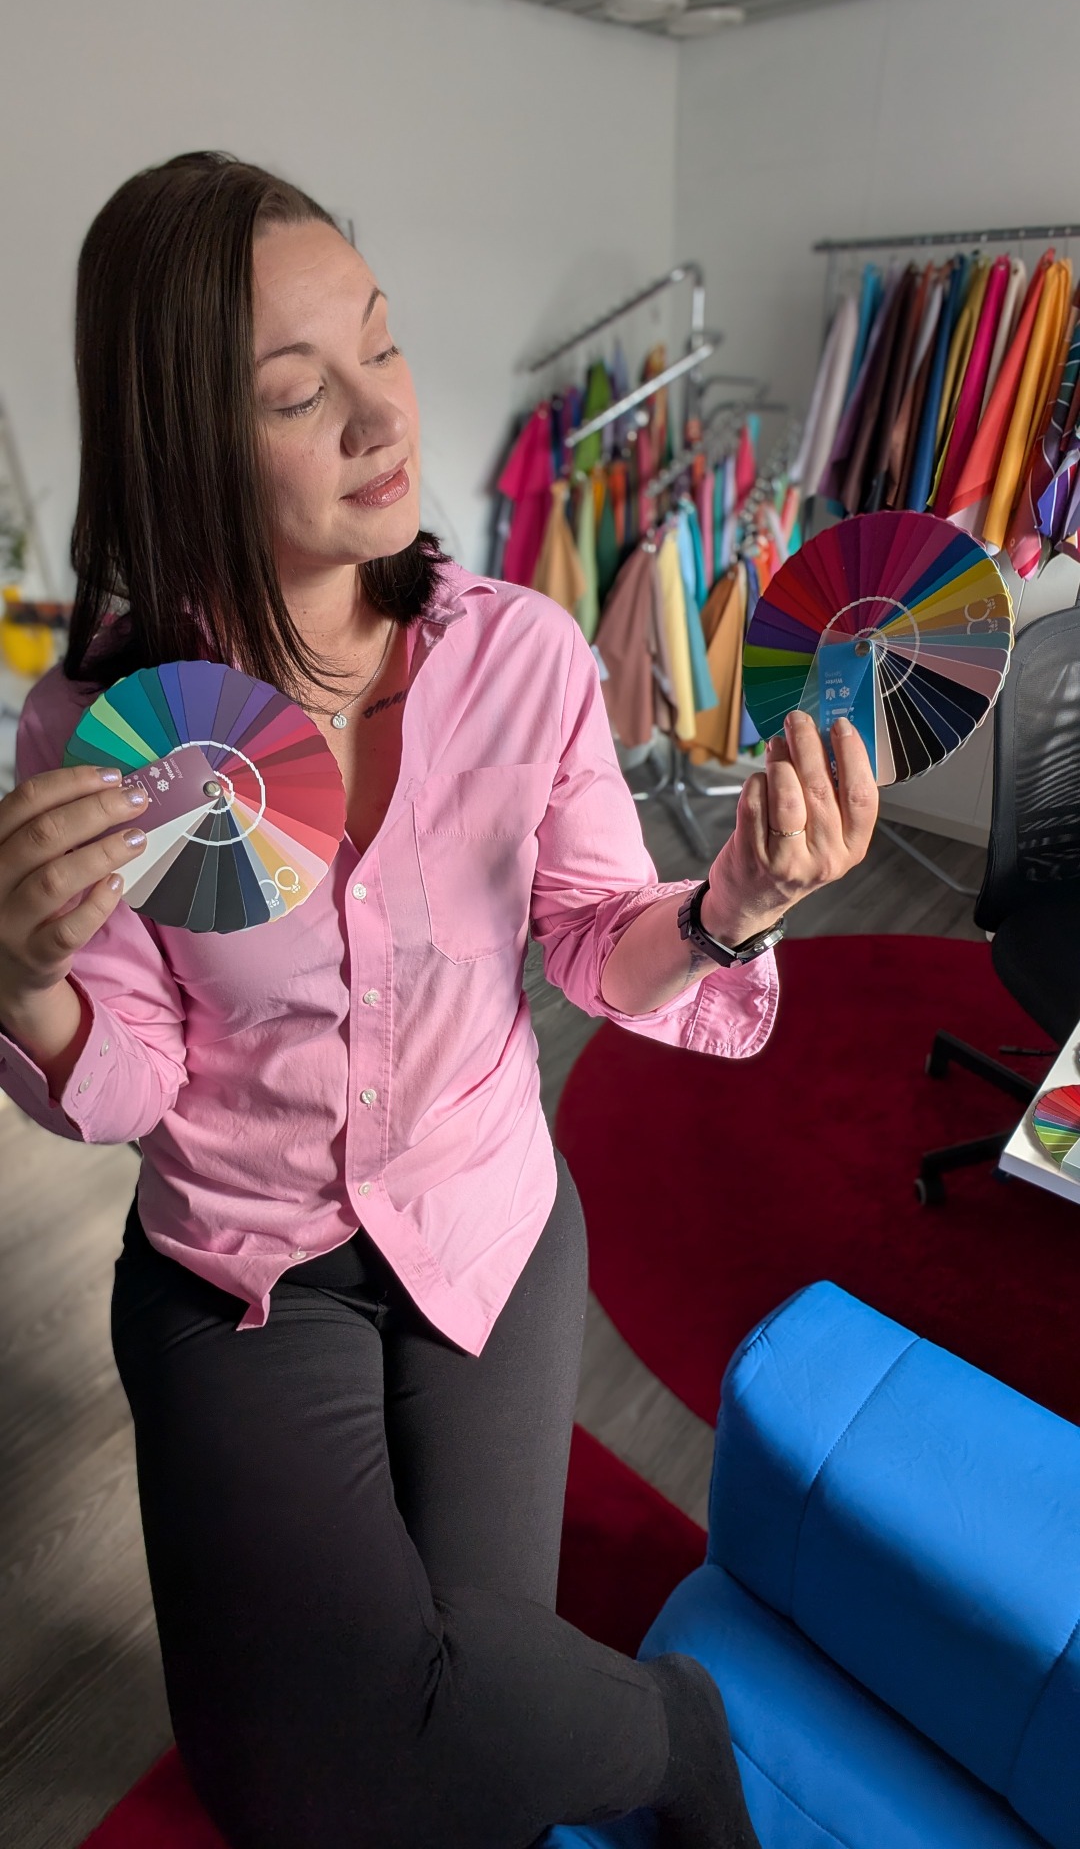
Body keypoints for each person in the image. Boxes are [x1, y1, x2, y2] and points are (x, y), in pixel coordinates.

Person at [0, 153, 878, 1849]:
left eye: (383, 343)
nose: (379, 415)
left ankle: (662, 1731)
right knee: (278, 1773)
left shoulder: (520, 657)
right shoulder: (109, 731)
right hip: (242, 1267)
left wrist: (733, 908)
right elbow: (136, 1078)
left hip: (481, 1220)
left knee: (433, 1744)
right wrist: (26, 986)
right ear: (187, 440)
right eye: (295, 392)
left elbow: (594, 942)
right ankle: (669, 1726)